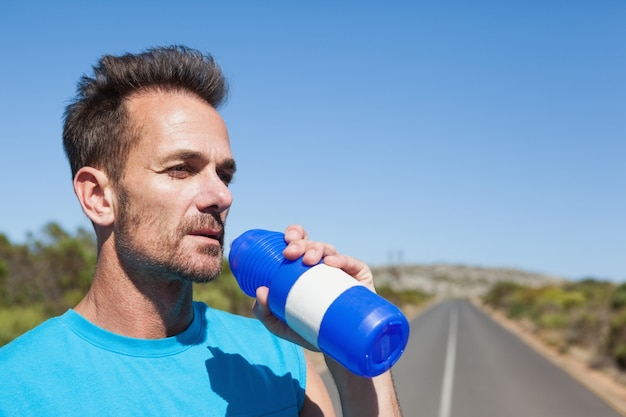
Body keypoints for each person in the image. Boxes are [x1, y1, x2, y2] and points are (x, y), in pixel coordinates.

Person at [0, 46, 401, 416]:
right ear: (99, 197)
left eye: (224, 174)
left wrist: (352, 341)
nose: (221, 196)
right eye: (181, 168)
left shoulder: (277, 357)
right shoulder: (16, 387)